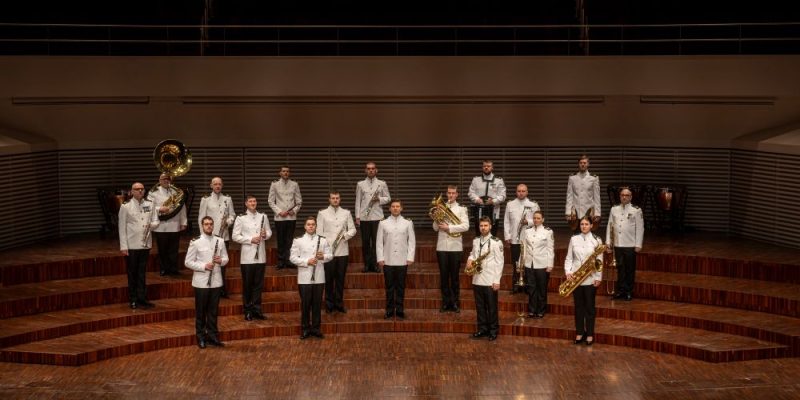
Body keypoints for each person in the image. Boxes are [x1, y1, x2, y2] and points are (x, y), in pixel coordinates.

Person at [185, 216, 229, 349]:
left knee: (213, 311)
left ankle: (213, 337)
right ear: (202, 226)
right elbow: (188, 262)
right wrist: (204, 266)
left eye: (211, 224)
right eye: (206, 224)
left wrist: (221, 261)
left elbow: (226, 258)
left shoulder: (220, 241)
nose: (209, 226)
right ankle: (201, 337)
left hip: (216, 281)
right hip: (201, 282)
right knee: (201, 312)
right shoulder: (196, 242)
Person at [118, 182, 160, 310]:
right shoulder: (126, 206)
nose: (140, 191)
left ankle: (142, 298)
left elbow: (156, 220)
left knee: (142, 273)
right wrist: (123, 246)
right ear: (132, 191)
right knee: (132, 274)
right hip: (131, 245)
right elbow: (121, 227)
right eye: (137, 189)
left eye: (142, 189)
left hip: (145, 244)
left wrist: (152, 225)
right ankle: (133, 299)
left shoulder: (150, 203)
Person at [290, 216, 333, 340]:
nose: (311, 226)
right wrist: (306, 261)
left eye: (313, 224)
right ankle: (305, 329)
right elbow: (292, 258)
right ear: (305, 226)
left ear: (316, 226)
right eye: (308, 224)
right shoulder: (298, 241)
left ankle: (316, 328)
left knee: (317, 304)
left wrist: (323, 257)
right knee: (305, 305)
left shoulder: (323, 240)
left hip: (319, 277)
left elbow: (330, 255)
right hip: (304, 278)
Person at [232, 195, 272, 321]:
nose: (253, 203)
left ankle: (257, 310)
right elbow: (235, 236)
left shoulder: (263, 216)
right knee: (248, 285)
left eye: (254, 201)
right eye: (250, 201)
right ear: (246, 204)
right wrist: (250, 239)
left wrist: (265, 235)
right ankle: (248, 310)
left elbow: (269, 232)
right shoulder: (241, 218)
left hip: (260, 256)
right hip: (247, 257)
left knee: (258, 285)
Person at [565, 216, 603, 346]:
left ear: (591, 225)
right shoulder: (574, 239)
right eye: (582, 224)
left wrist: (598, 277)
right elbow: (569, 258)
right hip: (576, 278)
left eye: (586, 224)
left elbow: (599, 261)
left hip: (591, 278)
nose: (584, 226)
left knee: (590, 308)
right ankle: (580, 332)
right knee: (578, 307)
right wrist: (568, 272)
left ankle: (590, 334)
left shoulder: (597, 240)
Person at [316, 191, 357, 314]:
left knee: (340, 279)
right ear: (329, 200)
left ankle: (339, 303)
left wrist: (345, 236)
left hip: (342, 251)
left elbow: (353, 229)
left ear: (340, 199)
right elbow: (319, 233)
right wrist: (322, 249)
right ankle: (329, 304)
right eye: (333, 198)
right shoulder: (322, 213)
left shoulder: (346, 213)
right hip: (328, 251)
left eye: (337, 198)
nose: (335, 200)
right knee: (328, 279)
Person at [432, 185, 469, 313]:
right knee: (443, 277)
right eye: (449, 193)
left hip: (455, 247)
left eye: (453, 193)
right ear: (446, 194)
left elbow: (466, 226)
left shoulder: (461, 209)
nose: (451, 195)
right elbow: (435, 228)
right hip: (442, 246)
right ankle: (445, 303)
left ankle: (455, 303)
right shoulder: (440, 207)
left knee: (454, 278)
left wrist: (449, 228)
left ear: (457, 194)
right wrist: (437, 217)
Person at [376, 199, 415, 320]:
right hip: (388, 260)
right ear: (389, 208)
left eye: (398, 206)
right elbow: (379, 242)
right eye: (393, 206)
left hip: (402, 260)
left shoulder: (408, 223)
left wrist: (410, 257)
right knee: (389, 287)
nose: (395, 208)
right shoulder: (383, 223)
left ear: (401, 208)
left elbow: (412, 241)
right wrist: (380, 258)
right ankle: (389, 310)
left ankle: (400, 310)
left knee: (401, 287)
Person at [197, 176, 236, 298]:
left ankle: (221, 289)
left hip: (224, 236)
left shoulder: (227, 199)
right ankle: (209, 288)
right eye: (215, 184)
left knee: (222, 264)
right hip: (210, 236)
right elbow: (201, 218)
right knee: (209, 262)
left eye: (219, 184)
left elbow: (232, 214)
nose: (217, 186)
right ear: (211, 186)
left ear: (222, 185)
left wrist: (228, 221)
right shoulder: (206, 199)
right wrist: (202, 236)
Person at [467, 217, 504, 341]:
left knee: (492, 307)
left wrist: (497, 280)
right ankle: (482, 329)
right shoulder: (476, 240)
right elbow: (473, 254)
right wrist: (469, 260)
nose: (483, 228)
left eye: (485, 225)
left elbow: (500, 262)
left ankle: (493, 330)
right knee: (480, 306)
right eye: (481, 225)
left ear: (490, 226)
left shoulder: (496, 242)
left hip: (490, 279)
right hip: (477, 278)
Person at [606, 187, 644, 301]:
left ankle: (628, 291)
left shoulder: (636, 210)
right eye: (622, 195)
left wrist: (638, 244)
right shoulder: (614, 209)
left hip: (630, 244)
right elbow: (609, 226)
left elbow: (640, 228)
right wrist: (608, 243)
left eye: (627, 195)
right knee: (620, 268)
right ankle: (620, 290)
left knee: (629, 269)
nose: (624, 197)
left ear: (631, 197)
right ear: (620, 196)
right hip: (618, 244)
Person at [148, 173, 187, 276]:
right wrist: (159, 209)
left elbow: (182, 207)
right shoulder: (153, 192)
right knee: (162, 249)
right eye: (163, 179)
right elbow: (149, 206)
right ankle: (163, 269)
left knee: (174, 249)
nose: (166, 180)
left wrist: (183, 222)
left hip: (175, 224)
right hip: (161, 226)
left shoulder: (176, 192)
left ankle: (173, 269)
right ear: (159, 180)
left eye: (168, 179)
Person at [503, 183, 540, 293]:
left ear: (527, 192)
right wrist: (507, 236)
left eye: (523, 191)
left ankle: (527, 285)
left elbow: (539, 220)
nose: (521, 193)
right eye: (519, 191)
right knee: (515, 263)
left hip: (529, 239)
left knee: (527, 263)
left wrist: (528, 222)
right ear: (516, 192)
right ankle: (515, 285)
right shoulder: (510, 204)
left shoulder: (533, 205)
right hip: (515, 238)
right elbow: (506, 221)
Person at [355, 161, 391, 273]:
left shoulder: (382, 183)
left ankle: (375, 265)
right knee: (365, 242)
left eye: (372, 168)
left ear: (376, 170)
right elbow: (358, 201)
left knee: (377, 242)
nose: (371, 170)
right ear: (365, 170)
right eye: (368, 168)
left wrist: (379, 199)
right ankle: (367, 265)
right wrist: (357, 216)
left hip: (377, 217)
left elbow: (388, 198)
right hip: (364, 217)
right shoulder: (360, 184)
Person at [520, 211, 554, 318]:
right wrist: (521, 263)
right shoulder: (527, 231)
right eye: (534, 218)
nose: (536, 220)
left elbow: (550, 249)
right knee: (531, 288)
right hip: (529, 263)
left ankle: (541, 310)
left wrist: (550, 264)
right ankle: (532, 310)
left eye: (538, 218)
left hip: (542, 264)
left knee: (541, 288)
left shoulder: (548, 231)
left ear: (543, 219)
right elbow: (523, 248)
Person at [269, 165, 302, 270]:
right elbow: (270, 201)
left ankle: (289, 260)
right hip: (280, 217)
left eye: (287, 171)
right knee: (280, 240)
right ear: (280, 173)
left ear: (289, 173)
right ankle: (280, 261)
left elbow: (299, 201)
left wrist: (294, 210)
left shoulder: (294, 184)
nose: (285, 173)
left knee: (289, 240)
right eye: (283, 171)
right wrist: (279, 212)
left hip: (291, 217)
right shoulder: (274, 184)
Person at [468, 160, 506, 237]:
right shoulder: (476, 180)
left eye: (488, 166)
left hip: (494, 211)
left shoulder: (499, 180)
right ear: (482, 167)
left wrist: (493, 201)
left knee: (492, 235)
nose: (486, 167)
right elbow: (470, 193)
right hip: (479, 210)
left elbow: (503, 195)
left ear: (492, 168)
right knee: (479, 235)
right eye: (484, 166)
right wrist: (477, 199)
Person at [566, 154, 601, 232]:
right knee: (576, 233)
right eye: (581, 163)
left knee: (589, 234)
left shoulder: (594, 178)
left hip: (589, 211)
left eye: (584, 163)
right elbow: (569, 195)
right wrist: (568, 212)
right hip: (576, 212)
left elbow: (597, 197)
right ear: (578, 164)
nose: (583, 164)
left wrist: (597, 213)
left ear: (588, 164)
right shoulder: (572, 177)